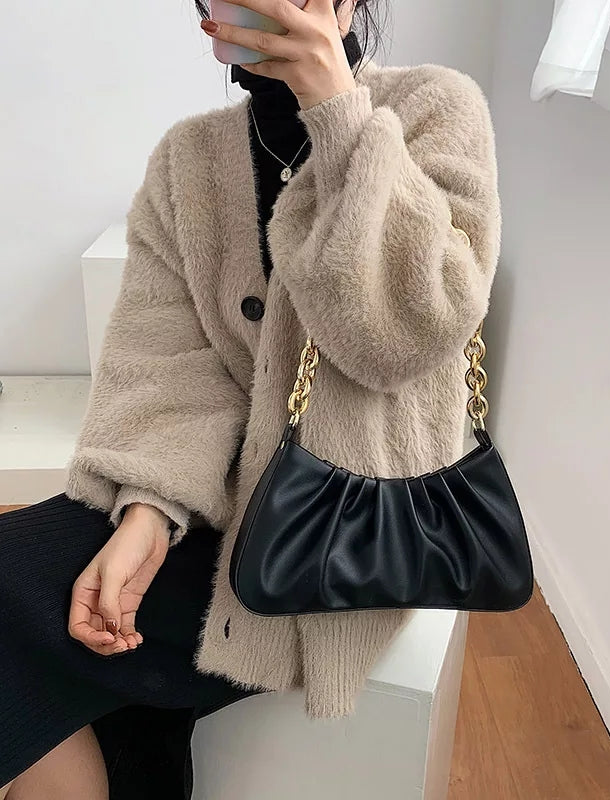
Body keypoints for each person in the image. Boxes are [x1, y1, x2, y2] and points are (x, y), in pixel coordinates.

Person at [0, 0, 502, 797]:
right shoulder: (189, 158)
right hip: (206, 500)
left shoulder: (435, 107)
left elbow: (405, 337)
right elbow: (168, 362)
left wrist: (338, 114)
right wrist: (149, 510)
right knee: (70, 629)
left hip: (350, 527)